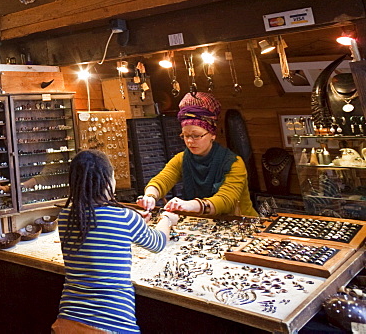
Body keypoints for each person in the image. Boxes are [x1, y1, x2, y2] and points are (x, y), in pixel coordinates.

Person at [53, 150, 178, 334]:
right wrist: (167, 219)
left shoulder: (66, 217)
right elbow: (158, 243)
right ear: (108, 182)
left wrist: (133, 223)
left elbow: (99, 227)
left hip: (67, 323)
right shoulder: (124, 218)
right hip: (113, 326)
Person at [138, 91, 258, 217]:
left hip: (241, 223)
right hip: (205, 223)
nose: (189, 141)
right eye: (185, 135)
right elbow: (161, 180)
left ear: (212, 135)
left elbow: (225, 200)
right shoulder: (182, 158)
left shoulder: (233, 163)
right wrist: (150, 196)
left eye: (196, 135)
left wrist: (190, 205)